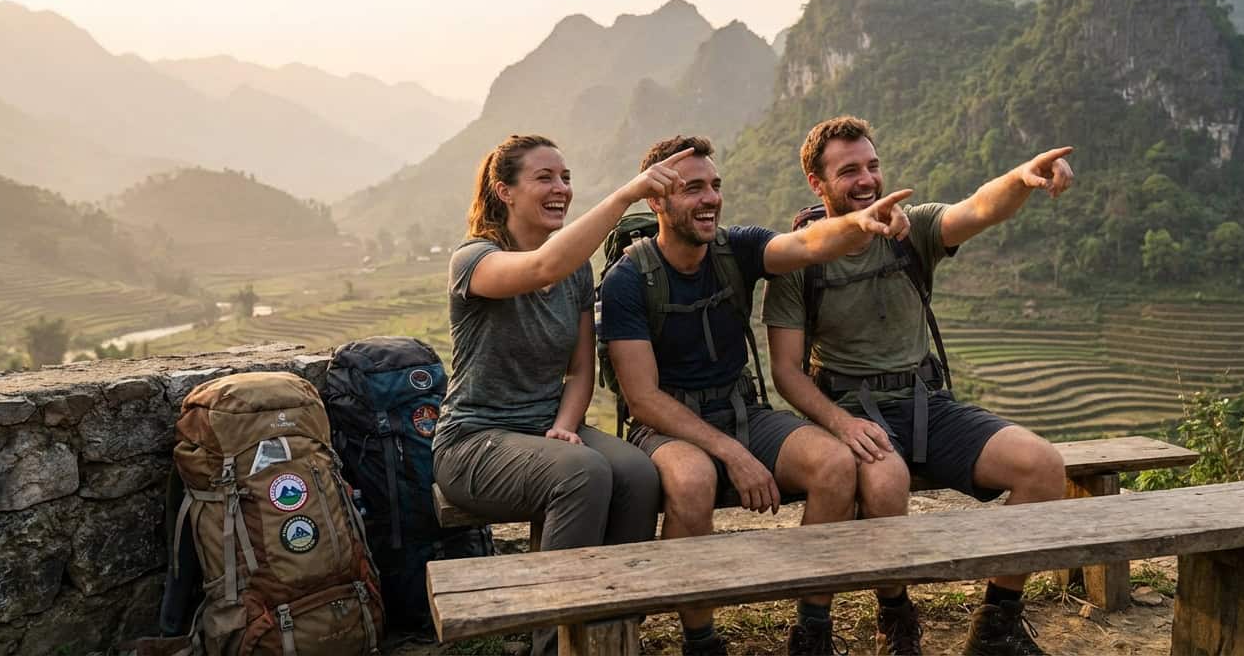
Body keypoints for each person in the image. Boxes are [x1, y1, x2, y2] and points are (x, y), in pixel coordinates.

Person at [762, 116, 1075, 656]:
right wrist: (840, 423)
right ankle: (895, 610)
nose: (866, 180)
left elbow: (977, 208)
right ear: (817, 184)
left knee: (1044, 467)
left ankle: (997, 624)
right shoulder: (800, 260)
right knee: (885, 484)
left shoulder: (915, 232)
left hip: (927, 401)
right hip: (849, 405)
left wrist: (1021, 178)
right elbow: (787, 371)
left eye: (873, 166)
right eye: (849, 171)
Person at [601, 134, 914, 656]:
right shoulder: (628, 280)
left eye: (715, 186)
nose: (710, 199)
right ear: (656, 200)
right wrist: (732, 453)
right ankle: (700, 640)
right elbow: (643, 399)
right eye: (692, 188)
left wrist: (857, 225)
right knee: (694, 478)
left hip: (744, 409)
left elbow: (806, 245)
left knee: (835, 464)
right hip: (666, 424)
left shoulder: (737, 248)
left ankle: (812, 627)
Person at [432, 134, 690, 656]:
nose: (560, 189)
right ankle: (554, 644)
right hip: (474, 441)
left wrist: (567, 425)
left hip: (545, 429)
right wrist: (624, 197)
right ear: (503, 191)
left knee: (638, 473)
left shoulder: (577, 269)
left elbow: (578, 370)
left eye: (566, 178)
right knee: (582, 472)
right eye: (544, 178)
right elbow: (540, 268)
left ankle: (614, 629)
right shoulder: (474, 259)